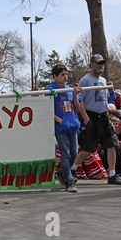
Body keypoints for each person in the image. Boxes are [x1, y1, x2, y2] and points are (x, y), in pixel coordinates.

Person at [71, 54, 121, 185]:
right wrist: (86, 118)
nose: (101, 66)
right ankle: (73, 168)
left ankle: (112, 174)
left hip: (104, 116)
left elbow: (104, 100)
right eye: (98, 63)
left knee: (112, 144)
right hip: (91, 116)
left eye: (102, 64)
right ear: (91, 64)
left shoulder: (104, 80)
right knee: (89, 149)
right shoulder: (85, 80)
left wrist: (108, 114)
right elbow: (80, 100)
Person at [47, 64, 82, 192]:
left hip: (72, 126)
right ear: (55, 76)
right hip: (61, 128)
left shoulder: (70, 89)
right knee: (65, 153)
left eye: (66, 74)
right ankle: (69, 179)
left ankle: (63, 172)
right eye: (62, 74)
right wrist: (58, 119)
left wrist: (75, 95)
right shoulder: (51, 89)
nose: (65, 77)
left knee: (74, 153)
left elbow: (78, 108)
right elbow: (46, 108)